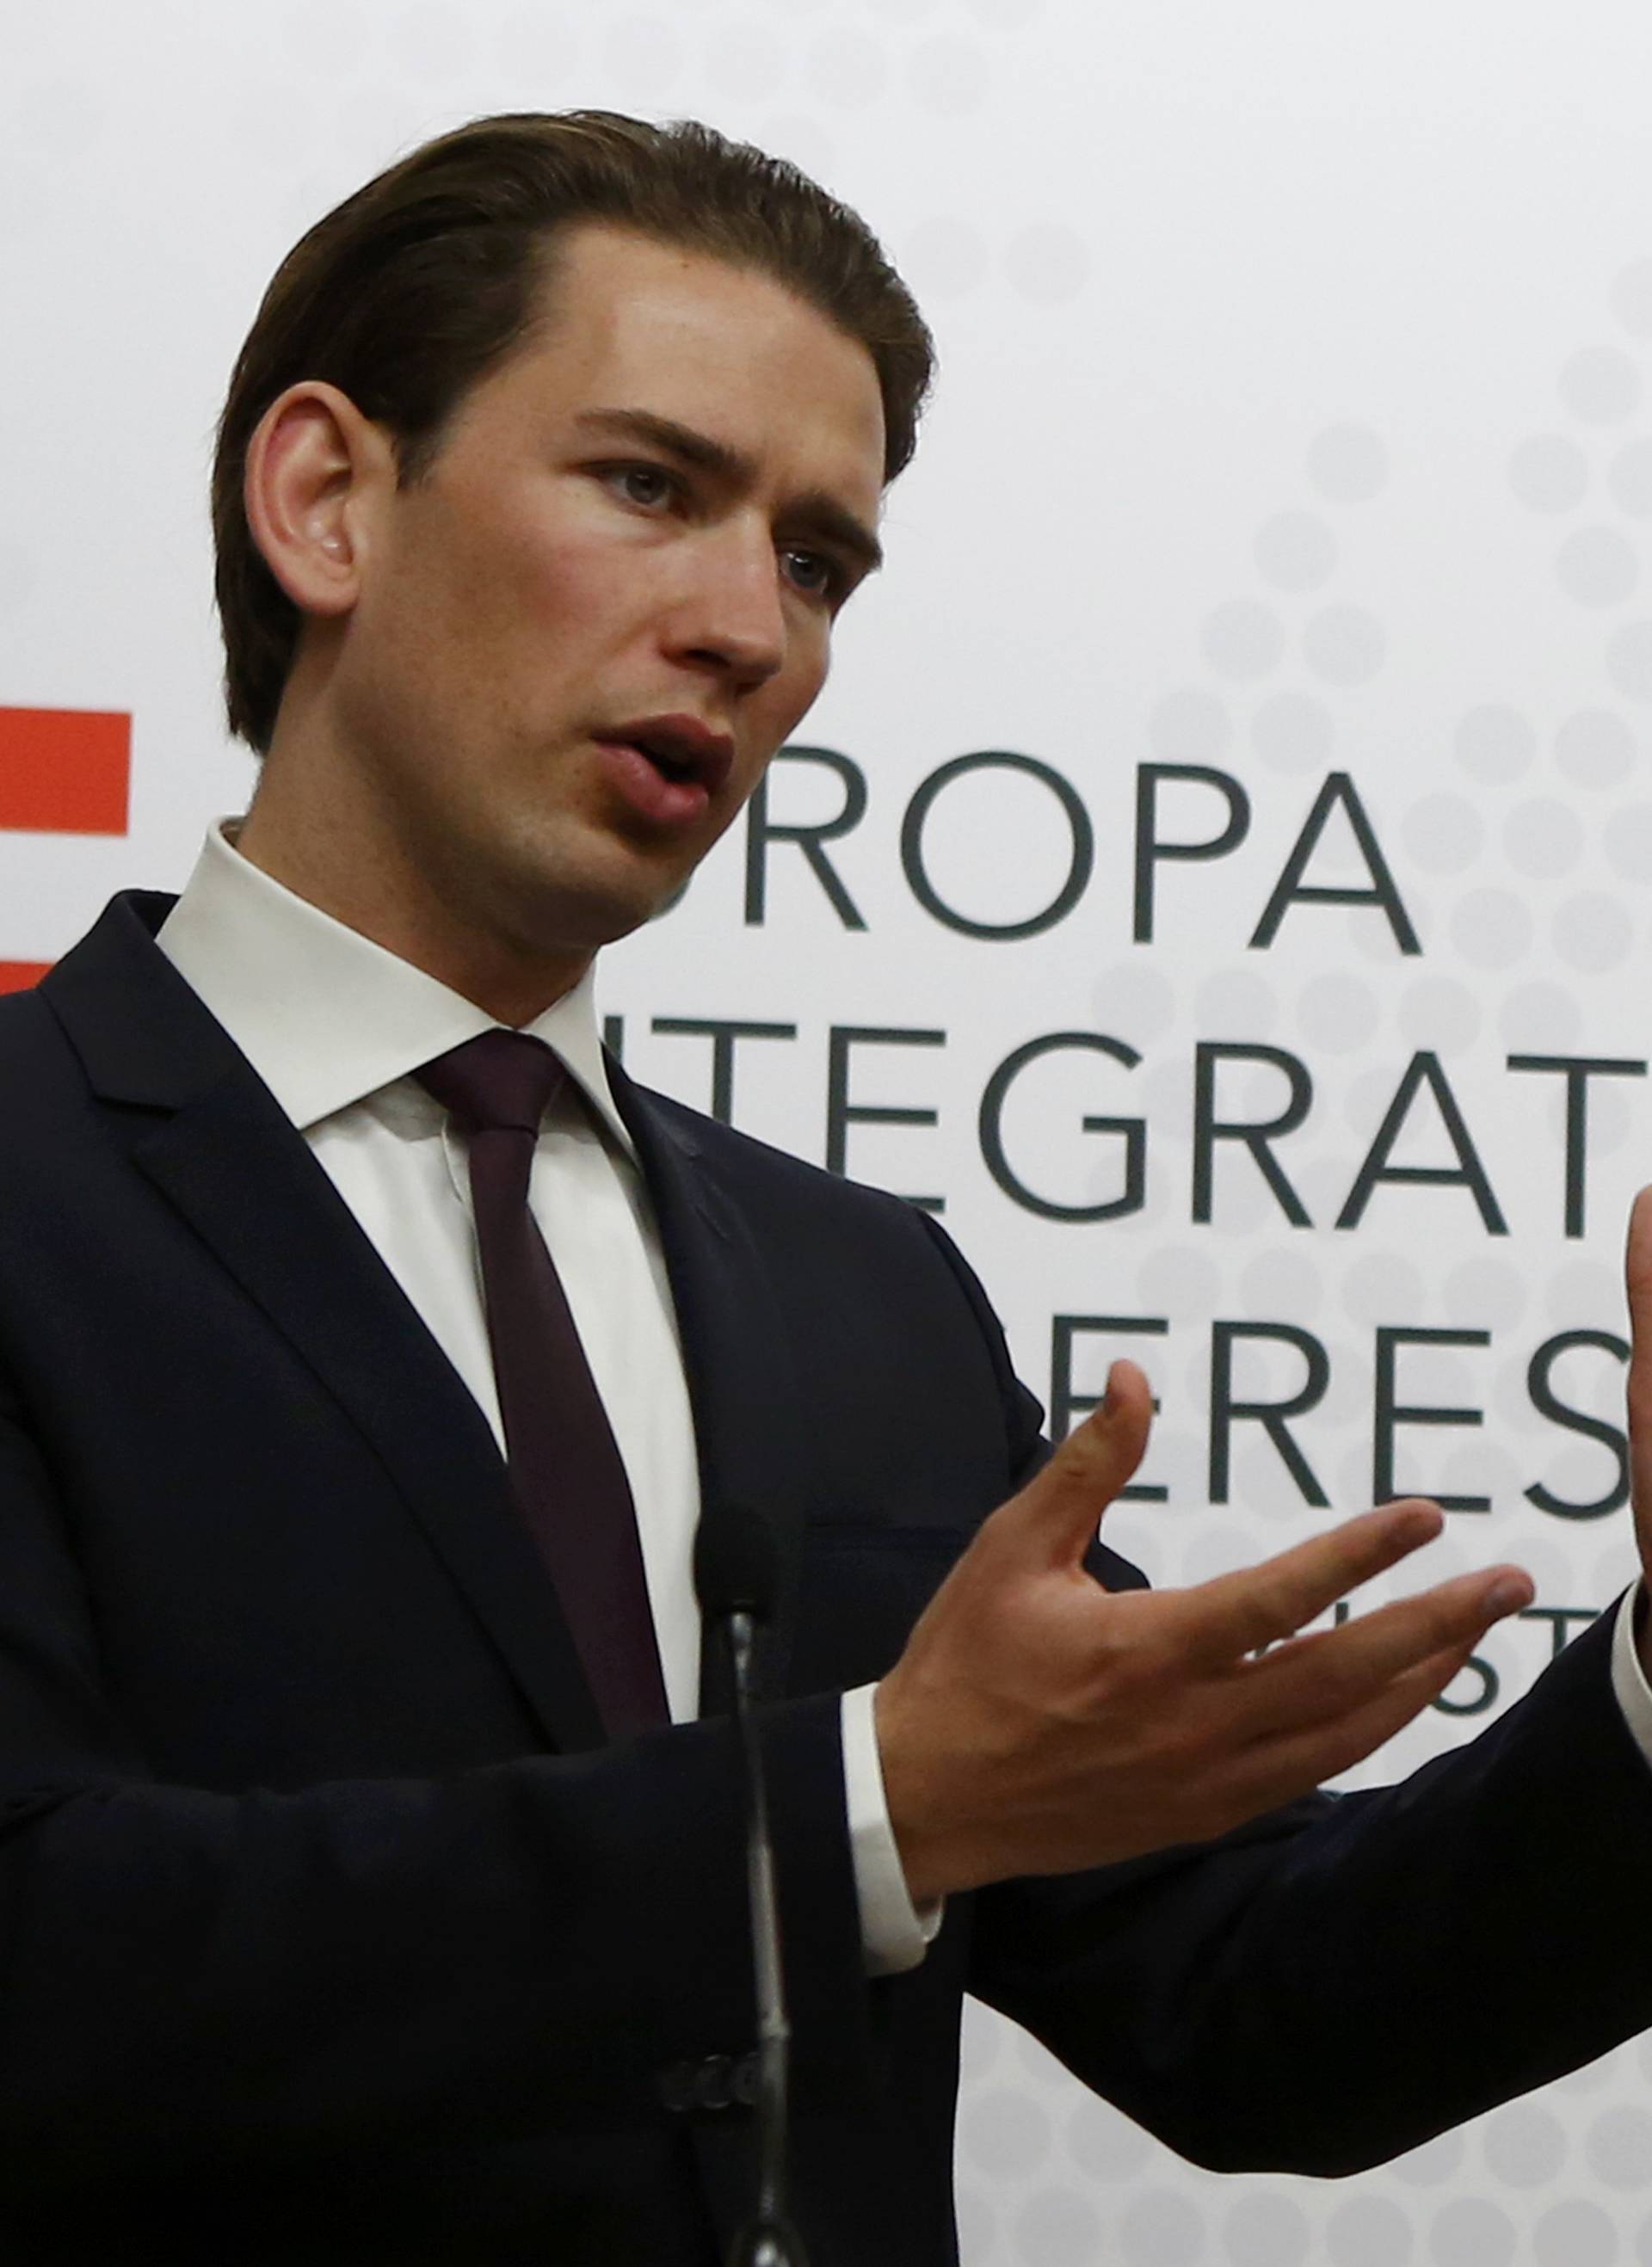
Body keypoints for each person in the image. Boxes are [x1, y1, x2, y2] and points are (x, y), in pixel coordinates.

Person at [3, 108, 1651, 2266]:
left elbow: (1272, 2007)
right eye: (649, 486)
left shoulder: (863, 1293)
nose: (750, 629)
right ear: (329, 498)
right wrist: (862, 1808)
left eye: (815, 559)